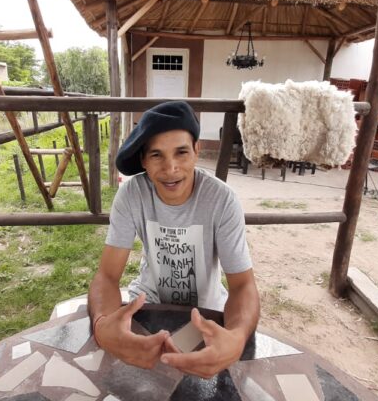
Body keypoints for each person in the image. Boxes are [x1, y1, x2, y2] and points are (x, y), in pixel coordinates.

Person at [88, 101, 260, 379]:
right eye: (156, 155)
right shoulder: (131, 195)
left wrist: (237, 338)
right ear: (143, 161)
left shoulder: (222, 200)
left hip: (207, 311)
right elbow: (107, 276)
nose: (171, 168)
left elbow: (242, 285)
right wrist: (102, 326)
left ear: (196, 151)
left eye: (181, 152)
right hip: (148, 302)